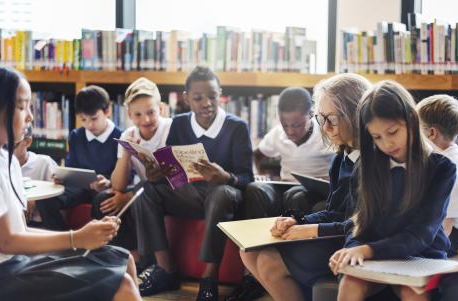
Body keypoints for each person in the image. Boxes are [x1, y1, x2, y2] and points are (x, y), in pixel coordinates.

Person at [0, 63, 141, 301]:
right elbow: (5, 241)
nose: (30, 116)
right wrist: (76, 238)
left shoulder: (6, 159)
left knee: (123, 259)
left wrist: (79, 237)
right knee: (121, 286)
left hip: (17, 263)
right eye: (22, 107)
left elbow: (20, 231)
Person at [238, 73, 371, 301]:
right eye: (321, 119)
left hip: (355, 243)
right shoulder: (342, 157)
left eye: (331, 119)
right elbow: (332, 211)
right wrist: (297, 221)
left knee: (269, 262)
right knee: (248, 251)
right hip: (336, 234)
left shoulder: (371, 162)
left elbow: (362, 226)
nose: (326, 128)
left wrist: (309, 230)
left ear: (353, 115)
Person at [133, 66, 253, 301]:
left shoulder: (236, 127)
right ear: (186, 98)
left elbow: (247, 177)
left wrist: (225, 176)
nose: (206, 103)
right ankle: (165, 268)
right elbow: (173, 171)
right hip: (190, 194)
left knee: (221, 193)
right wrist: (159, 174)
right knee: (146, 190)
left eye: (212, 96)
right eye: (198, 98)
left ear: (221, 94)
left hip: (224, 197)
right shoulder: (179, 124)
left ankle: (210, 277)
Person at [330, 81, 456, 301]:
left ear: (411, 119)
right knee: (350, 284)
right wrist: (351, 250)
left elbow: (422, 234)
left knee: (412, 293)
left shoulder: (441, 168)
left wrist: (367, 250)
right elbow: (355, 222)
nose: (387, 143)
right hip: (377, 258)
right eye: (377, 137)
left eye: (392, 132)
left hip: (422, 258)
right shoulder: (365, 167)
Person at [93, 77, 172, 261]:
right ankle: (131, 257)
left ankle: (148, 260)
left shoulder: (171, 128)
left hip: (167, 190)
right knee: (103, 201)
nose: (145, 120)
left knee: (140, 197)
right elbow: (118, 185)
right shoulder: (128, 134)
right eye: (137, 115)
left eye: (151, 112)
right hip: (143, 189)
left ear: (160, 109)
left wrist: (129, 196)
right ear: (129, 114)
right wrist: (128, 152)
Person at [36, 85, 122, 230]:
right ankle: (64, 240)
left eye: (94, 118)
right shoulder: (77, 136)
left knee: (103, 200)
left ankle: (98, 245)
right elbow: (72, 167)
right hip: (80, 188)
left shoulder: (120, 137)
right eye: (83, 119)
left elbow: (126, 175)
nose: (89, 124)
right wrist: (63, 177)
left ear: (107, 111)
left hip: (104, 189)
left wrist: (108, 182)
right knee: (45, 199)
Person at [244, 86, 335, 219]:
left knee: (296, 195)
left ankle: (293, 236)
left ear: (310, 114)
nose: (290, 131)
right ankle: (254, 238)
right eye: (285, 125)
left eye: (296, 125)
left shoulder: (325, 133)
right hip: (285, 186)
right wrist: (261, 173)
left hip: (315, 191)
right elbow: (258, 154)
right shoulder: (277, 134)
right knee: (254, 189)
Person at [417, 94, 458, 256]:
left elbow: (444, 228)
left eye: (416, 129)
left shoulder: (450, 168)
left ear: (431, 133)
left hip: (456, 240)